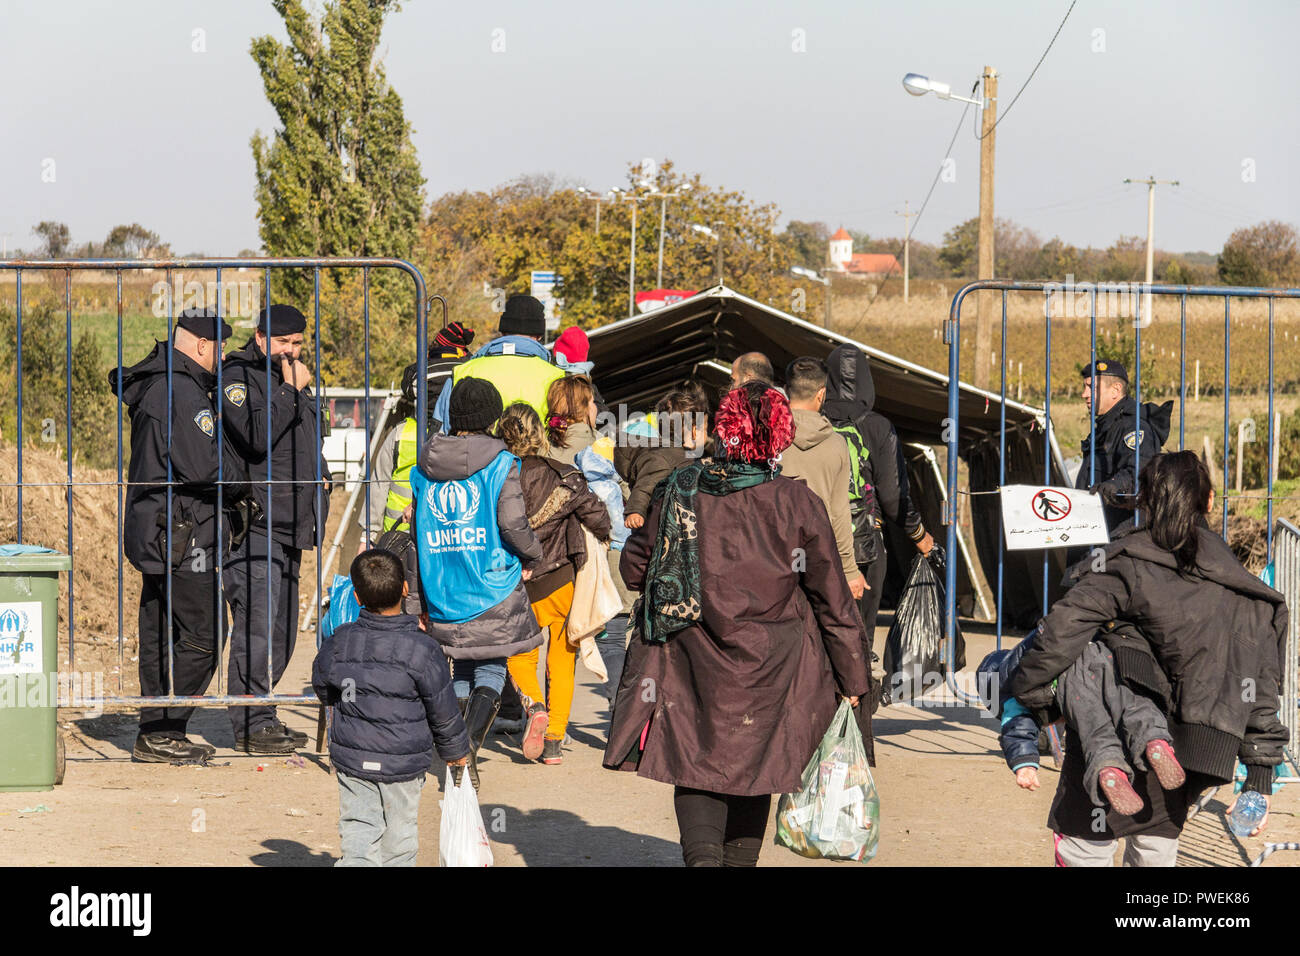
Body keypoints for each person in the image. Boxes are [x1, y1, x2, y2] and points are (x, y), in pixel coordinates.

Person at [604, 382, 870, 867]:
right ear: (780, 436)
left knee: (695, 756)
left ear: (723, 429)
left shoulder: (681, 488)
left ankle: (703, 860)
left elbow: (634, 569)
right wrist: (854, 677)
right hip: (773, 664)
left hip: (689, 656)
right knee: (758, 762)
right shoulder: (796, 502)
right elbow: (832, 598)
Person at [1008, 451, 1289, 866]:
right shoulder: (1245, 589)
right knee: (1156, 847)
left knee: (1085, 848)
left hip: (1108, 732)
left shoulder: (1126, 562)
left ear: (1144, 501)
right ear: (1209, 502)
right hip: (1189, 750)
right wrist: (1258, 780)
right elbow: (1261, 683)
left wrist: (1035, 699)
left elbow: (1060, 632)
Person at [112, 308, 248, 765]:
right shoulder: (182, 390)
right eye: (221, 347)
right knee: (207, 632)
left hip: (158, 528)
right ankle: (165, 727)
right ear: (202, 345)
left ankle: (154, 731)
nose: (224, 355)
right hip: (182, 533)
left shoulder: (163, 381)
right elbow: (205, 466)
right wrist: (242, 478)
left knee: (158, 631)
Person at [410, 377, 545, 789]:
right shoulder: (502, 463)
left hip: (443, 589)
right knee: (491, 667)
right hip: (492, 586)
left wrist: (417, 600)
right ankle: (464, 749)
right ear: (492, 418)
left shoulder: (424, 467)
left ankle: (458, 752)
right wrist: (533, 553)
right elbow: (512, 523)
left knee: (462, 668)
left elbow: (416, 537)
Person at [312, 549, 471, 866]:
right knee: (399, 841)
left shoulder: (339, 641)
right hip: (403, 764)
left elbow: (322, 684)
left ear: (356, 596)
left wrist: (348, 702)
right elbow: (442, 707)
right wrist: (455, 752)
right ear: (405, 589)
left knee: (359, 833)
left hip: (354, 757)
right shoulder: (423, 649)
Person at [221, 303, 331, 753]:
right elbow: (254, 437)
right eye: (283, 343)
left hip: (294, 524)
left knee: (283, 630)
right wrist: (288, 390)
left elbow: (308, 441)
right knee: (258, 624)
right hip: (258, 523)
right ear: (261, 337)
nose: (291, 351)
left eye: (298, 344)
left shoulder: (299, 381)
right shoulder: (237, 378)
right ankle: (250, 723)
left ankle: (263, 710)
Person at [496, 403, 611, 764]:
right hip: (563, 580)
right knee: (562, 661)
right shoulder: (565, 475)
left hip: (518, 584)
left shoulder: (497, 476)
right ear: (541, 434)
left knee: (519, 655)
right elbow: (601, 519)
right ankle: (554, 743)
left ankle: (534, 706)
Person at [821, 343, 933, 705]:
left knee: (818, 631)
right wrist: (919, 535)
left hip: (812, 544)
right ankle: (857, 731)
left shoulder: (809, 421)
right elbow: (893, 496)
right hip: (865, 547)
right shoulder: (879, 426)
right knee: (859, 638)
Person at [980, 629, 1185, 815]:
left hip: (1074, 681)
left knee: (1096, 729)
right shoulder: (1026, 652)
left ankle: (1109, 769)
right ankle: (1154, 740)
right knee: (1132, 703)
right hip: (1102, 655)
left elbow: (1018, 731)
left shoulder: (1014, 695)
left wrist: (1024, 765)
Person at [364, 322, 475, 539]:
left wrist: (367, 534)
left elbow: (378, 483)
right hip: (454, 534)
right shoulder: (470, 368)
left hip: (399, 533)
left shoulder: (418, 372)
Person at [781, 357, 868, 601]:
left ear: (786, 391)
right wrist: (850, 570)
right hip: (820, 554)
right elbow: (841, 512)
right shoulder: (837, 444)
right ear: (822, 394)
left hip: (772, 553)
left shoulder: (766, 439)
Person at [432, 295, 563, 431]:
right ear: (540, 335)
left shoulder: (464, 371)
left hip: (475, 452)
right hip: (537, 451)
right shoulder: (556, 377)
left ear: (503, 330)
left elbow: (439, 434)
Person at [1076, 360, 1173, 532]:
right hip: (1096, 527)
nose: (1085, 394)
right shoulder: (1105, 427)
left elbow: (1139, 472)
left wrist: (1113, 486)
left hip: (1119, 534)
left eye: (1091, 388)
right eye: (1085, 387)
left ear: (1115, 390)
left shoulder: (1134, 427)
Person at [614, 389, 708, 531]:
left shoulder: (682, 456)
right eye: (705, 428)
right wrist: (636, 511)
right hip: (658, 529)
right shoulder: (662, 459)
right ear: (694, 431)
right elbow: (645, 486)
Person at [545, 375, 601, 468]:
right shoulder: (599, 445)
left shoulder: (540, 447)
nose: (596, 407)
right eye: (592, 402)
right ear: (584, 408)